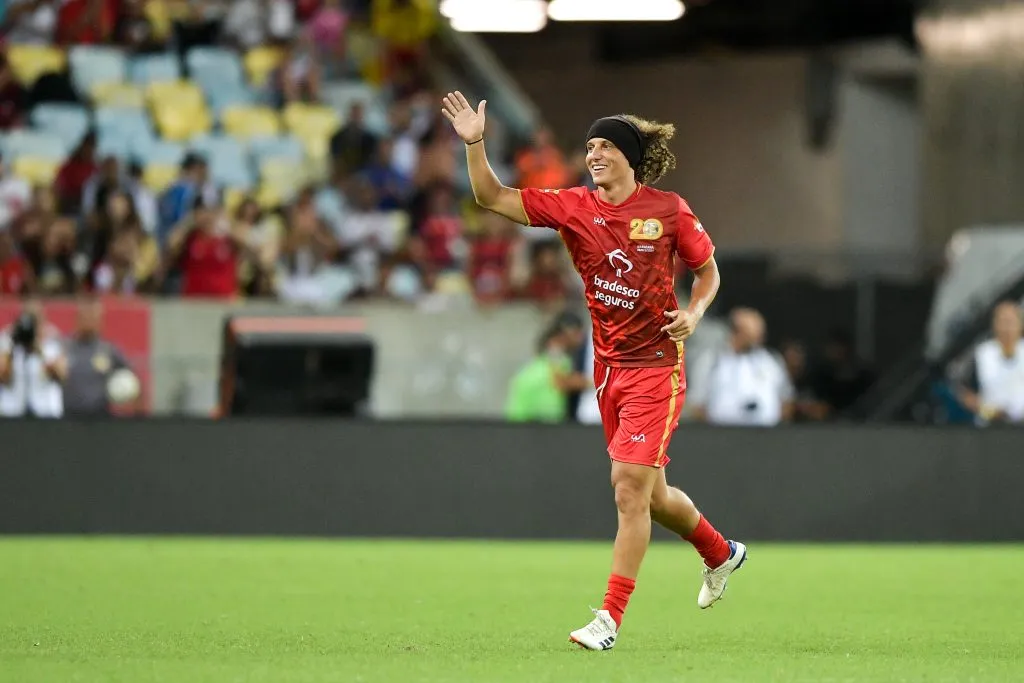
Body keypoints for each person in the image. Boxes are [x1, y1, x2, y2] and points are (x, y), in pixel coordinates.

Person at [441, 91, 746, 650]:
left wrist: (695, 313)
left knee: (627, 488)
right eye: (589, 147)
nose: (595, 154)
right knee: (653, 498)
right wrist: (475, 143)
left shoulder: (669, 211)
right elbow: (491, 196)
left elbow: (708, 272)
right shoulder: (573, 206)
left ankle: (609, 619)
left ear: (630, 156)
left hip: (656, 367)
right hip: (608, 370)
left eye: (606, 145)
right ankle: (720, 552)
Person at [956, 300, 1024, 425]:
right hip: (990, 427)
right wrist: (986, 411)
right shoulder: (982, 354)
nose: (1007, 328)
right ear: (994, 324)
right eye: (1003, 322)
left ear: (1021, 325)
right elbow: (963, 390)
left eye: (1011, 322)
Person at [0, 298, 67, 419]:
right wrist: (12, 348)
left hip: (46, 413)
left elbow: (61, 375)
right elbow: (2, 376)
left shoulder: (52, 341)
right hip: (12, 413)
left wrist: (40, 351)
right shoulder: (7, 341)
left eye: (35, 320)